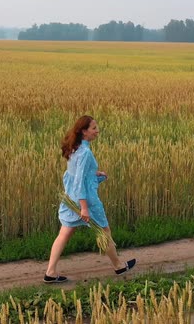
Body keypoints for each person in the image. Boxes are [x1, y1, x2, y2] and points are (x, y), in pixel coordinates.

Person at [44, 115, 136, 283]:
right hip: (86, 200)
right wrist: (84, 207)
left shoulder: (75, 148)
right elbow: (79, 181)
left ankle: (50, 272)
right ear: (84, 132)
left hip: (70, 198)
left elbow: (73, 174)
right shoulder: (85, 152)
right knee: (104, 232)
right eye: (94, 128)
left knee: (64, 234)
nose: (97, 131)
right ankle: (118, 266)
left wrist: (94, 173)